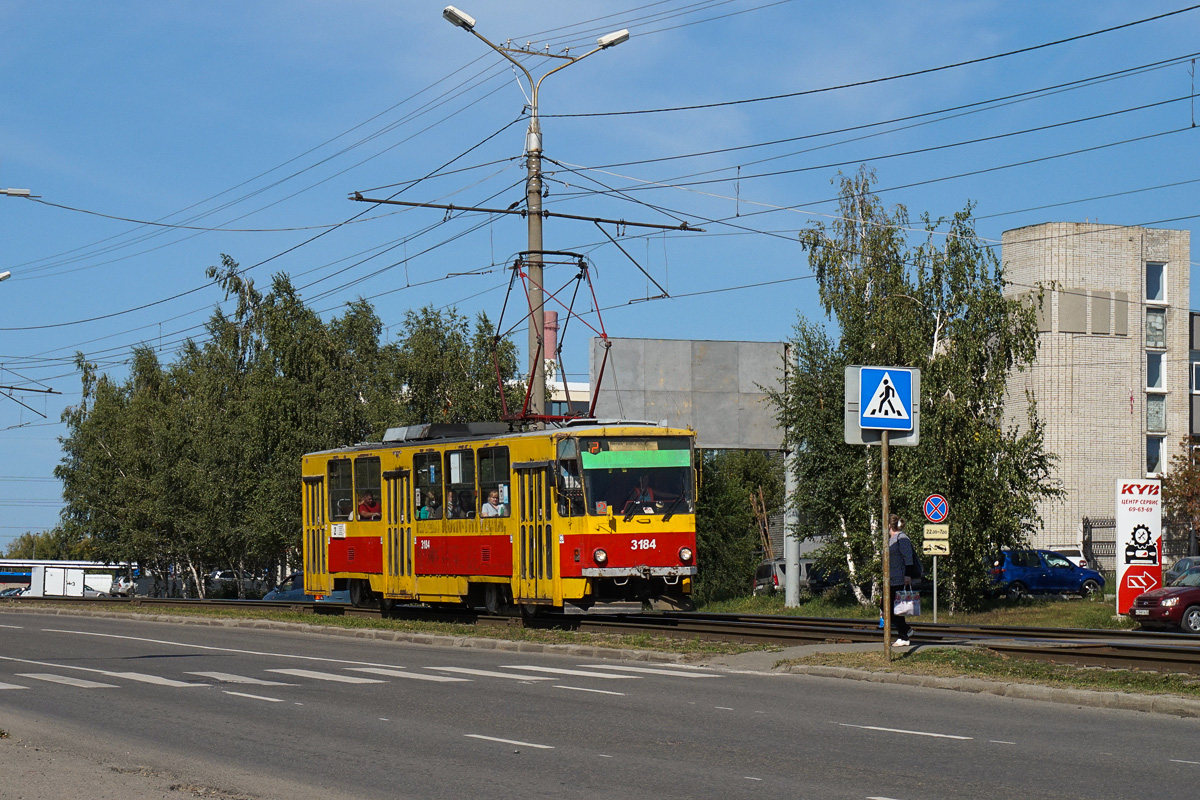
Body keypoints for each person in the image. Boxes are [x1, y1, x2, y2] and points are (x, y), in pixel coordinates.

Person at [886, 513, 917, 646]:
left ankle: (903, 637)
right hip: (890, 578)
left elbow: (908, 558)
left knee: (896, 608)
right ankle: (906, 630)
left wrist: (907, 576)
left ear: (888, 525)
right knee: (886, 607)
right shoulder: (891, 539)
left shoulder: (902, 538)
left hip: (899, 578)